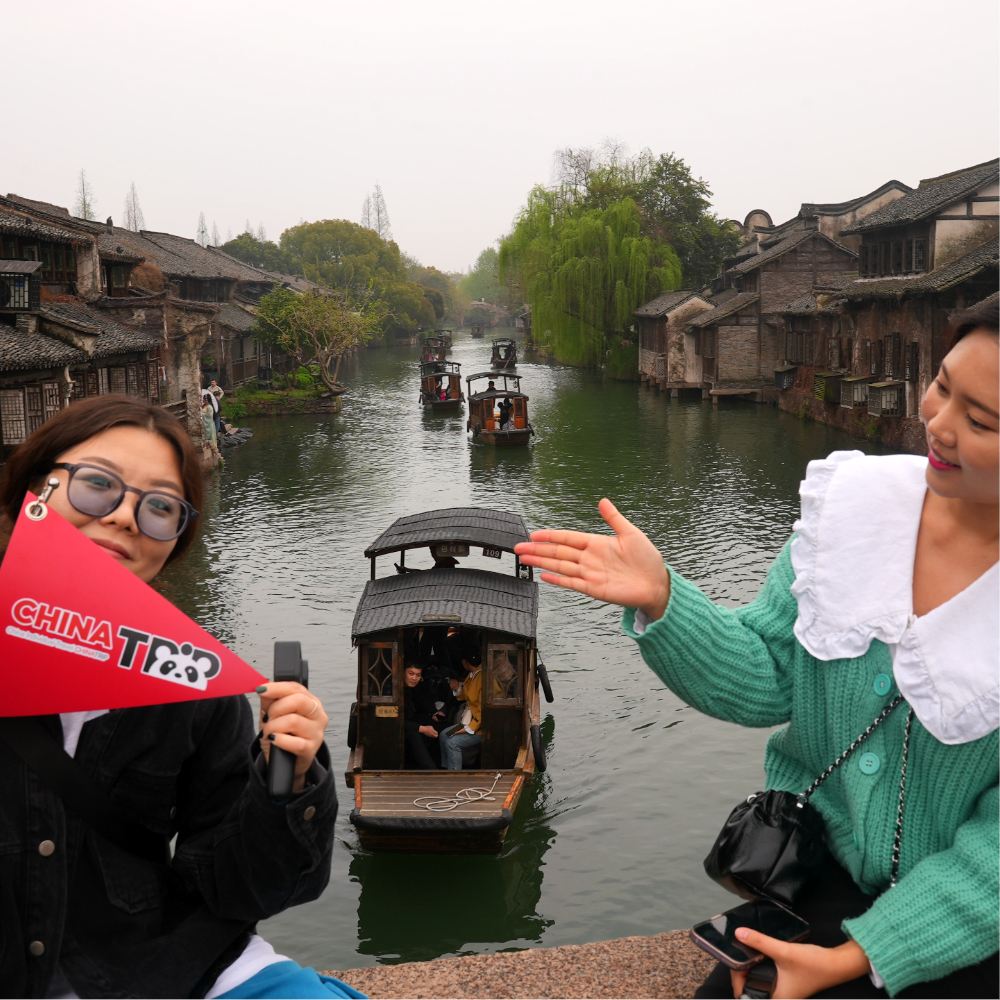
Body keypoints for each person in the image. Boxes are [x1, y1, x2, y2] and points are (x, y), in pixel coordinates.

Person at [515, 299, 999, 999]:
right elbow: (769, 674)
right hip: (812, 870)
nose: (939, 423)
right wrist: (664, 600)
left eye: (980, 421)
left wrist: (855, 958)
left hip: (961, 915)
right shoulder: (856, 509)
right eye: (943, 385)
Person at [0, 395, 362, 999]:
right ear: (34, 490)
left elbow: (237, 891)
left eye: (160, 507)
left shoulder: (190, 684)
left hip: (161, 967)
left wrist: (288, 780)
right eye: (96, 485)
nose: (122, 517)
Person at [439, 650, 483, 770]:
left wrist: (468, 729)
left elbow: (483, 711)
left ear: (465, 662)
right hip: (469, 720)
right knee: (444, 735)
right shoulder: (472, 675)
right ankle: (447, 768)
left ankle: (455, 775)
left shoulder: (482, 678)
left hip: (481, 727)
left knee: (452, 742)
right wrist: (457, 687)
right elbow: (466, 695)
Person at [402, 664, 446, 770]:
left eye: (417, 675)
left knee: (437, 724)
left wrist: (433, 714)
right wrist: (422, 729)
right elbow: (395, 722)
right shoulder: (395, 691)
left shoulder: (414, 689)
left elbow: (421, 705)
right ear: (403, 673)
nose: (414, 678)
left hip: (411, 724)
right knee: (414, 734)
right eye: (411, 674)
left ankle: (442, 764)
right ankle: (430, 769)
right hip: (399, 732)